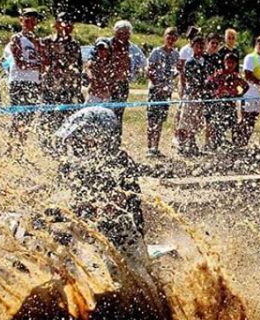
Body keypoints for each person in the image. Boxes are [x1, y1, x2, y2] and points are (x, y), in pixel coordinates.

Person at [53, 107, 143, 251]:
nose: (75, 143)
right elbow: (59, 190)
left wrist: (74, 209)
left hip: (117, 239)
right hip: (86, 228)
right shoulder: (72, 163)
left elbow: (115, 204)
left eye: (79, 138)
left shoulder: (119, 163)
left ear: (101, 138)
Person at [39, 11, 83, 142]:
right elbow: (42, 63)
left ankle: (60, 144)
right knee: (46, 118)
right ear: (56, 25)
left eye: (70, 24)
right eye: (64, 23)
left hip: (67, 88)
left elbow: (78, 67)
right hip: (49, 86)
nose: (67, 27)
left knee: (66, 119)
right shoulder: (46, 42)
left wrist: (78, 89)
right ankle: (44, 144)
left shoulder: (74, 44)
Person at [8, 7, 43, 155]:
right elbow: (20, 63)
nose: (30, 23)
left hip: (33, 81)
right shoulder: (17, 38)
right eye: (27, 20)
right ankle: (10, 147)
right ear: (22, 20)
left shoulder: (38, 40)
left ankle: (20, 148)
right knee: (17, 116)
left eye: (33, 20)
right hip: (19, 81)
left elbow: (44, 61)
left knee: (28, 117)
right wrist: (37, 65)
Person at [146, 27, 179, 157]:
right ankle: (149, 147)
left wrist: (169, 83)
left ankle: (156, 147)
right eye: (168, 37)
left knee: (160, 119)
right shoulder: (156, 52)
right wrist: (157, 85)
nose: (170, 40)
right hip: (155, 90)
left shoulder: (175, 54)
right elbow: (149, 70)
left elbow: (176, 71)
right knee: (152, 119)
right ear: (164, 37)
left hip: (166, 91)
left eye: (173, 38)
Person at [207, 52, 249, 148]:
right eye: (228, 62)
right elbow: (209, 83)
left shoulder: (236, 76)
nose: (230, 65)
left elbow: (246, 86)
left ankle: (235, 145)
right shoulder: (219, 74)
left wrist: (239, 94)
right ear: (224, 62)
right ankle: (217, 145)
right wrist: (215, 93)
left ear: (236, 64)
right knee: (219, 125)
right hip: (220, 102)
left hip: (231, 103)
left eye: (232, 63)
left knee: (234, 125)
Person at [177, 35, 209, 155]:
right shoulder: (190, 62)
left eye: (202, 46)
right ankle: (182, 145)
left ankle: (192, 142)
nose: (200, 49)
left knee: (197, 122)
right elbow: (192, 80)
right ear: (192, 47)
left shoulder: (205, 61)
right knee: (185, 120)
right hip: (192, 95)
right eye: (197, 46)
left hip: (201, 96)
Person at [239, 34, 260, 144]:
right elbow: (248, 75)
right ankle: (238, 143)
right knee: (245, 121)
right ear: (256, 44)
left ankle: (244, 143)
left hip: (258, 95)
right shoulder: (250, 57)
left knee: (252, 122)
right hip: (248, 94)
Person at [203, 33, 225, 148]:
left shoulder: (218, 58)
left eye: (217, 43)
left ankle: (208, 142)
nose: (215, 45)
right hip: (202, 91)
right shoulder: (203, 56)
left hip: (214, 92)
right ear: (208, 43)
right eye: (212, 43)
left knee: (211, 119)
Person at [109, 20, 133, 123]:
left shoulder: (133, 48)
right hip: (107, 84)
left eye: (126, 33)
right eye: (120, 33)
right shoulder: (106, 44)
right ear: (114, 32)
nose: (123, 36)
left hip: (123, 84)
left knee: (118, 116)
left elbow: (144, 65)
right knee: (106, 113)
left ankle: (117, 137)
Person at [85, 38, 115, 103]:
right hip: (93, 95)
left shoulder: (112, 63)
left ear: (108, 50)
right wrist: (90, 76)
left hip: (106, 96)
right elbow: (88, 67)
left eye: (104, 49)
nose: (101, 51)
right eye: (99, 48)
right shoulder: (93, 62)